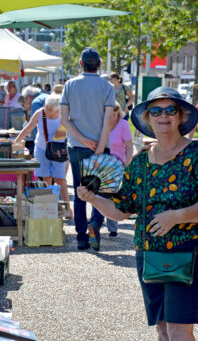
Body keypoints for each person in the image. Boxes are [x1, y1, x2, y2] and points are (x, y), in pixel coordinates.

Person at [77, 86, 198, 341]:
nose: (163, 116)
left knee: (180, 329)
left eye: (170, 110)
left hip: (190, 252)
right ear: (147, 118)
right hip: (150, 254)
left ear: (181, 116)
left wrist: (176, 216)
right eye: (156, 110)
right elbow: (122, 211)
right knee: (163, 328)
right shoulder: (139, 162)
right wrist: (93, 199)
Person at [60, 47, 116, 251]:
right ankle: (96, 223)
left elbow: (64, 119)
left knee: (80, 191)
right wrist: (99, 146)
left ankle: (81, 237)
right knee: (101, 192)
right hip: (101, 146)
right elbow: (109, 120)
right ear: (99, 64)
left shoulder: (70, 85)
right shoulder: (107, 87)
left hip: (76, 146)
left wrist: (83, 140)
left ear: (81, 64)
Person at [15, 94, 72, 217]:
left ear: (57, 108)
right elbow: (28, 128)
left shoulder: (64, 114)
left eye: (50, 109)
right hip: (42, 149)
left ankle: (67, 208)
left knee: (60, 179)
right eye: (46, 107)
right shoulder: (40, 113)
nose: (46, 110)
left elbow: (72, 130)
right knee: (46, 178)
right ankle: (50, 208)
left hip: (59, 151)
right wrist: (16, 141)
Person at [106, 100, 133, 238]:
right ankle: (96, 223)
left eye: (115, 113)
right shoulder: (102, 123)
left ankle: (112, 227)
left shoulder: (123, 124)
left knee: (112, 194)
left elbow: (129, 146)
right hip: (102, 163)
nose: (113, 116)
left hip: (118, 164)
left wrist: (127, 163)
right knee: (99, 194)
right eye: (111, 113)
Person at [22, 85, 49, 154]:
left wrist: (36, 141)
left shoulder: (36, 102)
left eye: (25, 99)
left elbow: (35, 124)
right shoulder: (46, 96)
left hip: (44, 141)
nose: (26, 101)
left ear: (30, 96)